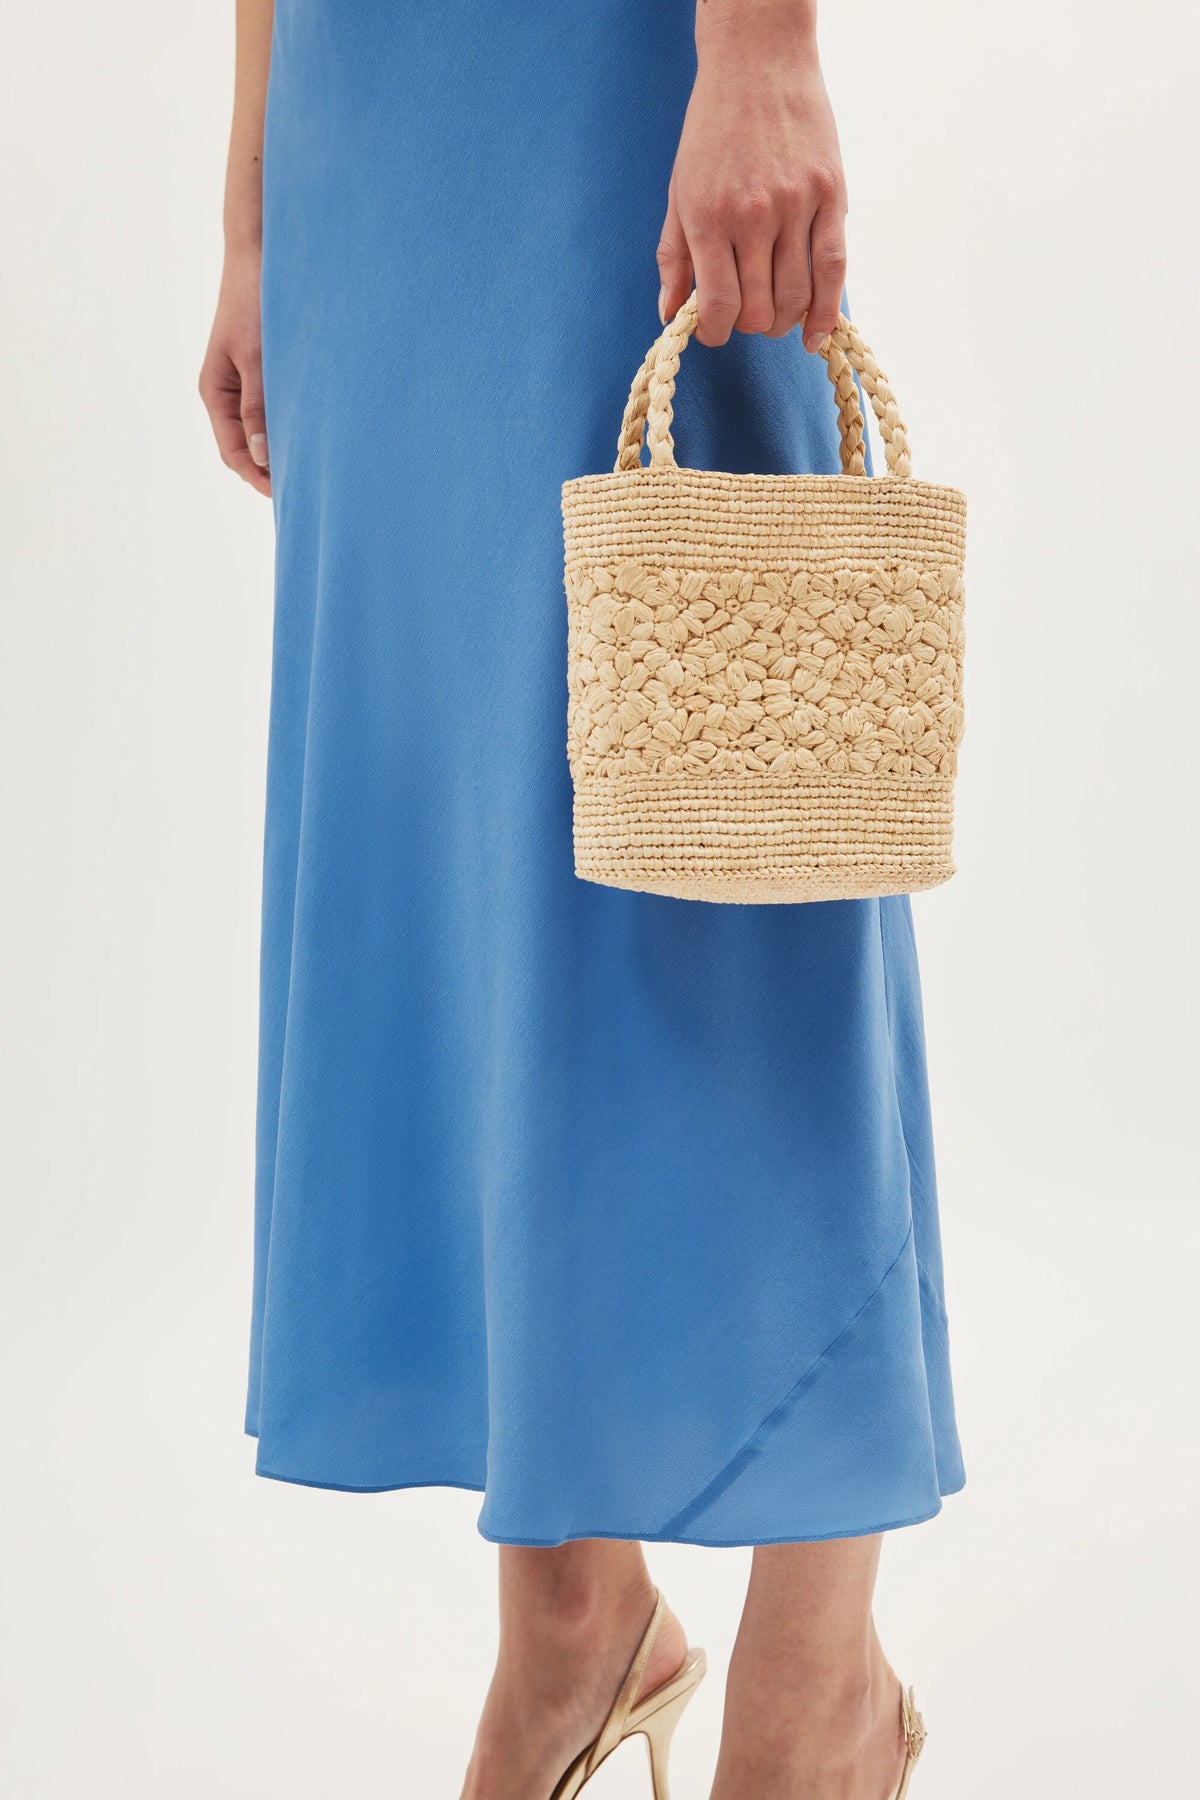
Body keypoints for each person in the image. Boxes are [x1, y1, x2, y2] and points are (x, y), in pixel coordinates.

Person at [199, 4, 963, 1796]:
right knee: (458, 807)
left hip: (609, 61)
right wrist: (249, 208)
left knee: (736, 823)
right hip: (360, 106)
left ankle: (820, 1671)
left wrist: (761, 47)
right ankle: (574, 1621)